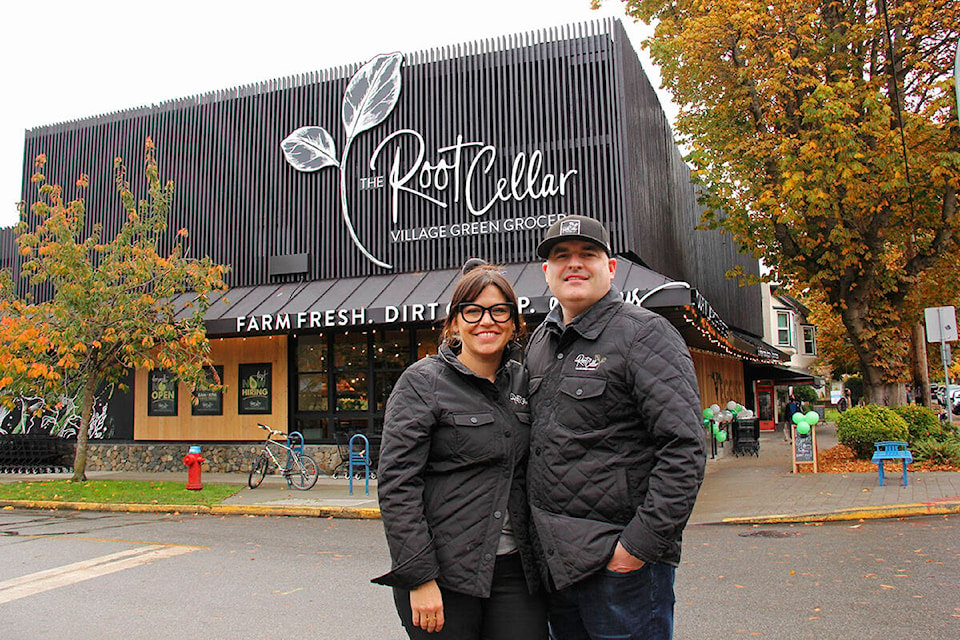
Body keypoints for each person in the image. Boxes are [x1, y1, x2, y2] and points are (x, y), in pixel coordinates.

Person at [525, 215, 706, 640]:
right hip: (556, 566)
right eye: (561, 256)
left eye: (588, 254)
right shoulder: (539, 342)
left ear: (610, 268)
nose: (574, 264)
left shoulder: (645, 334)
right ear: (545, 273)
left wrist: (637, 548)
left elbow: (684, 449)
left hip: (620, 568)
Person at [372, 259, 547, 640]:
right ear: (454, 322)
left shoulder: (525, 381)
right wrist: (419, 578)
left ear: (515, 323)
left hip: (517, 572)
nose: (488, 320)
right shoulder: (422, 382)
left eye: (500, 310)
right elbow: (397, 486)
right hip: (444, 574)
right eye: (473, 310)